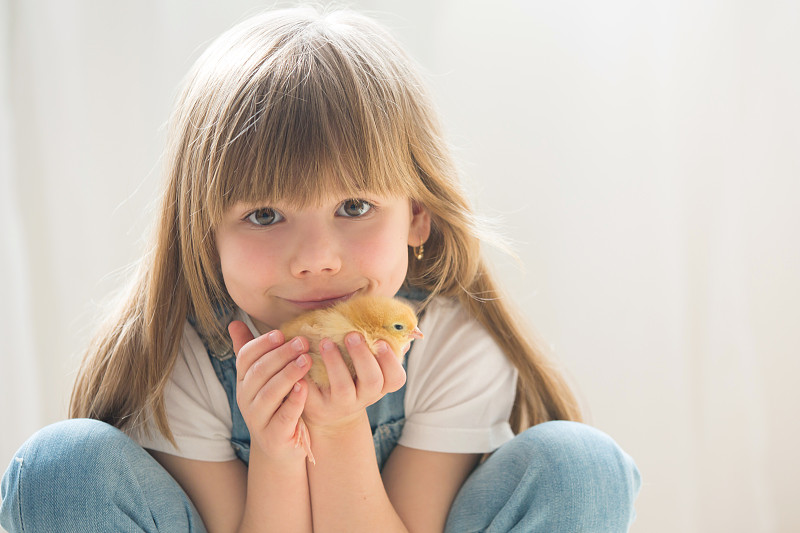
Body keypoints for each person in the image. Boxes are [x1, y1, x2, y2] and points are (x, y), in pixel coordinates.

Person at [0, 6, 640, 532]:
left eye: (355, 206)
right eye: (264, 215)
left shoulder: (448, 340)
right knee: (65, 465)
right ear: (204, 233)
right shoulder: (181, 354)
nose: (315, 259)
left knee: (578, 465)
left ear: (418, 217)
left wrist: (338, 432)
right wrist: (276, 453)